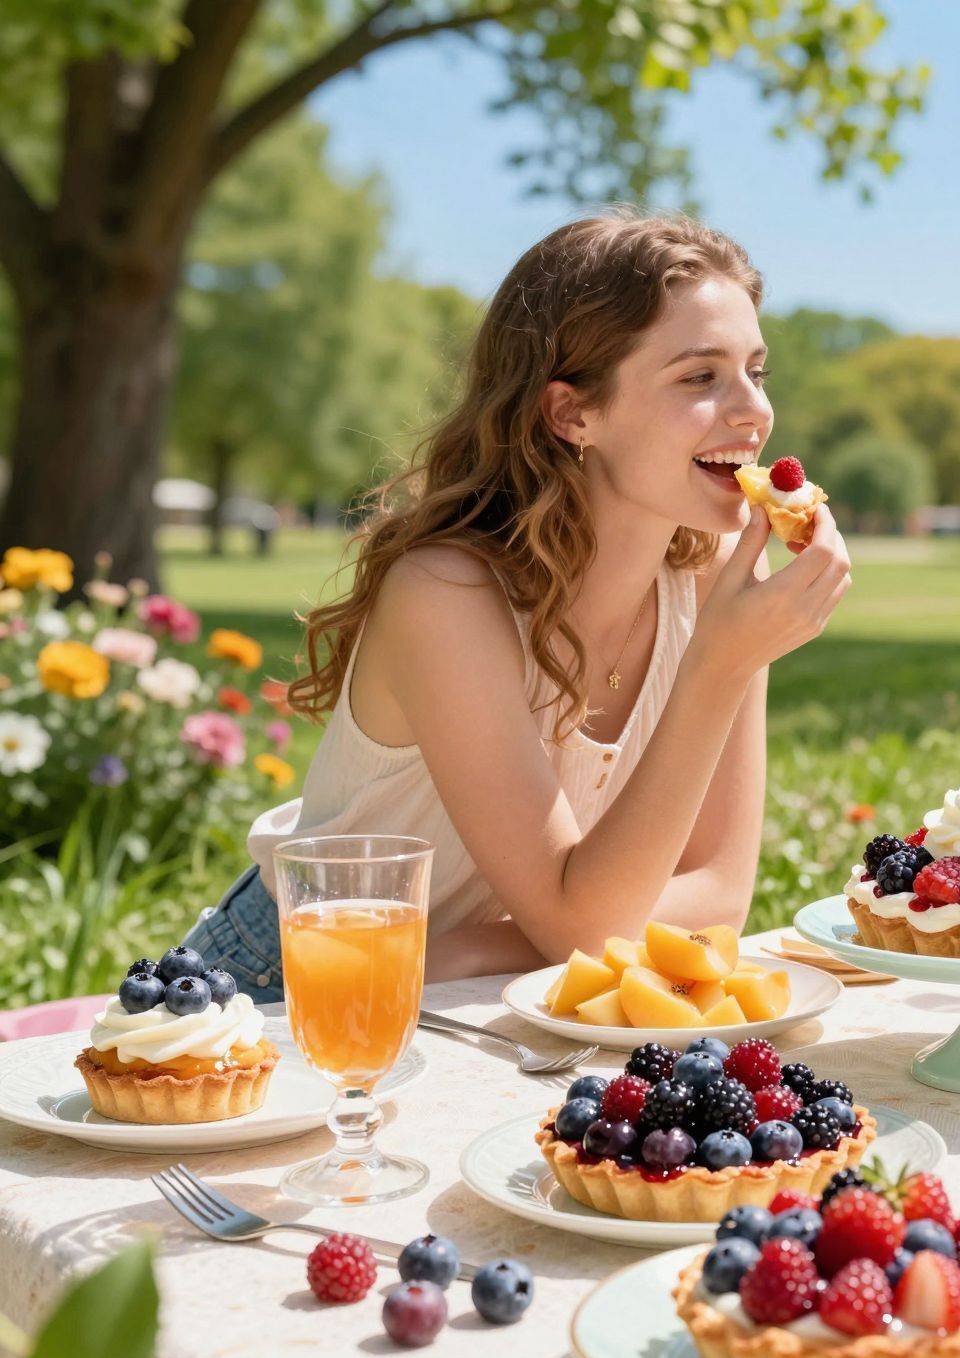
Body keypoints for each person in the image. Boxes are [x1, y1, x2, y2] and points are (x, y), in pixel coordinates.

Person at [183, 213, 851, 1002]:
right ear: (572, 413)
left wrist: (474, 952)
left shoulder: (714, 580)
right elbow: (583, 930)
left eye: (756, 371)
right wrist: (720, 665)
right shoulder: (447, 596)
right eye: (700, 377)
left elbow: (715, 901)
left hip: (482, 988)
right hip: (280, 988)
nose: (753, 412)